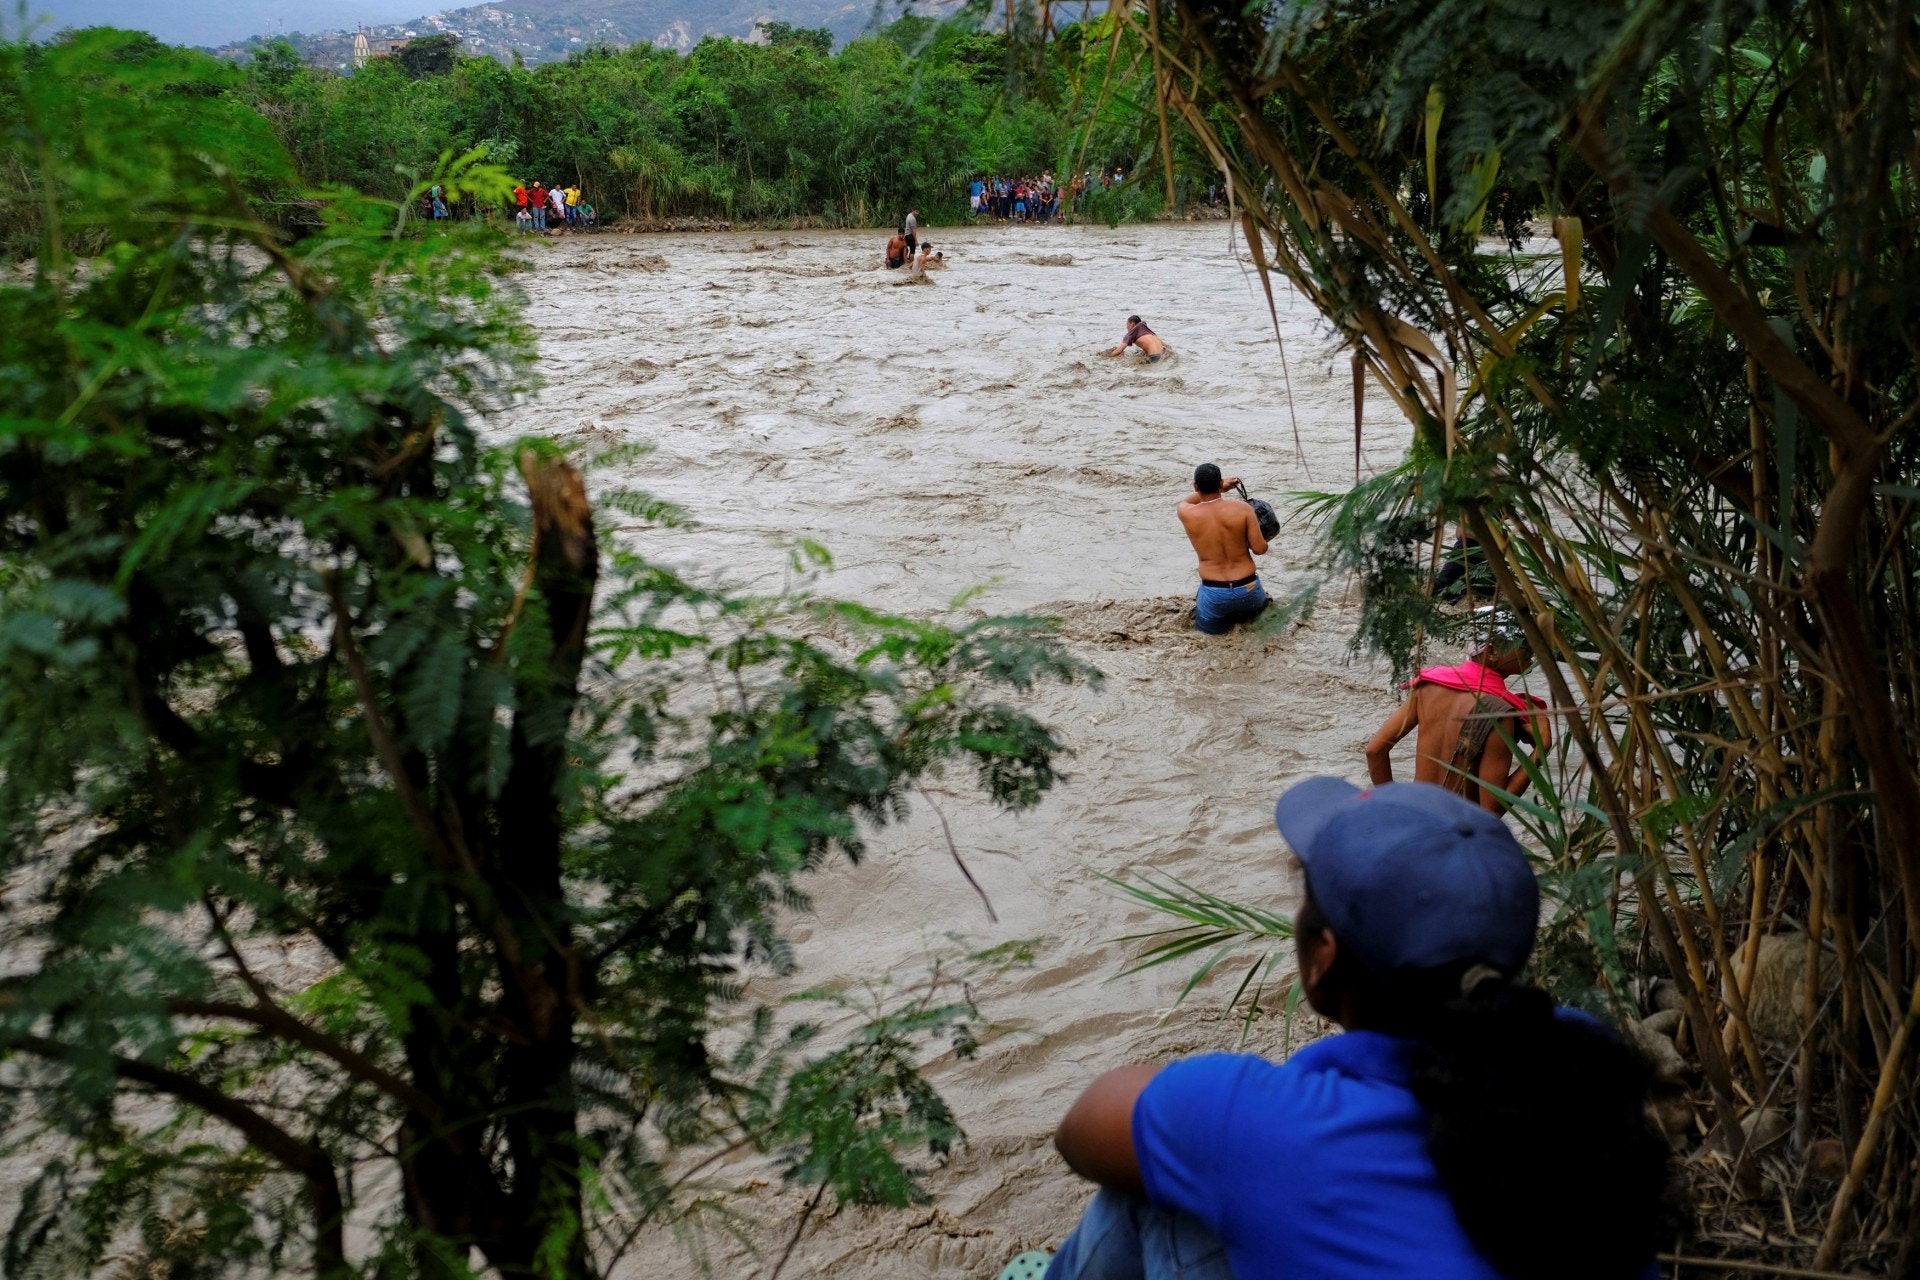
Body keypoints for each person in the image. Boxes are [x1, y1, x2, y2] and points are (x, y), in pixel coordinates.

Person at [1033, 776, 1676, 1280]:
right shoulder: (1582, 1059)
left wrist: (1214, 1113)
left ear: (1322, 958)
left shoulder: (1257, 1125)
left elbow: (1081, 1131)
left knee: (1150, 1190)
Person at [1365, 631, 1550, 814]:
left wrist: (1394, 804)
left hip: (1416, 818)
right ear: (1492, 652)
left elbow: (1374, 752)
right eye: (1523, 642)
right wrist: (1540, 751)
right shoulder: (1498, 713)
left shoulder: (1428, 686)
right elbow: (1491, 810)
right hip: (1456, 835)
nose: (1532, 648)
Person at [1178, 463, 1268, 635]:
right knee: (1257, 631)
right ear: (1220, 483)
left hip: (1214, 593)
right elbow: (1259, 549)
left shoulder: (1187, 512)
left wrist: (1216, 488)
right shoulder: (1243, 509)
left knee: (1204, 638)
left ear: (1195, 486)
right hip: (1248, 589)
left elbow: (1186, 501)